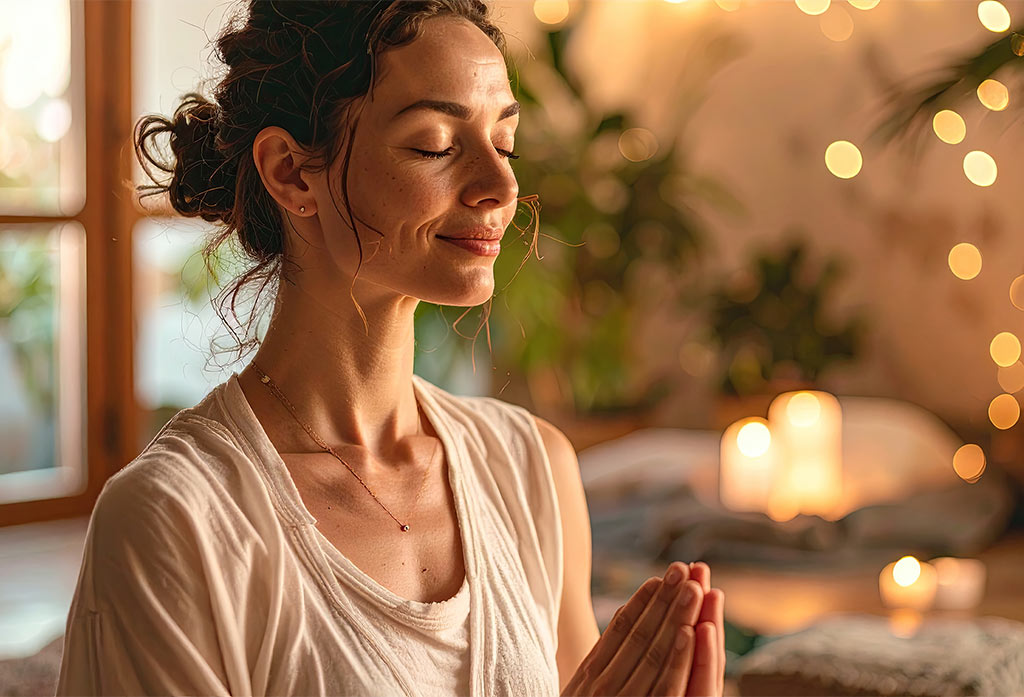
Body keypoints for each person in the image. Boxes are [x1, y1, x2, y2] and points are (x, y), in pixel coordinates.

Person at [56, 1, 725, 695]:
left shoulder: (531, 469)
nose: (501, 187)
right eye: (435, 144)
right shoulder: (177, 520)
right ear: (290, 172)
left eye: (505, 142)